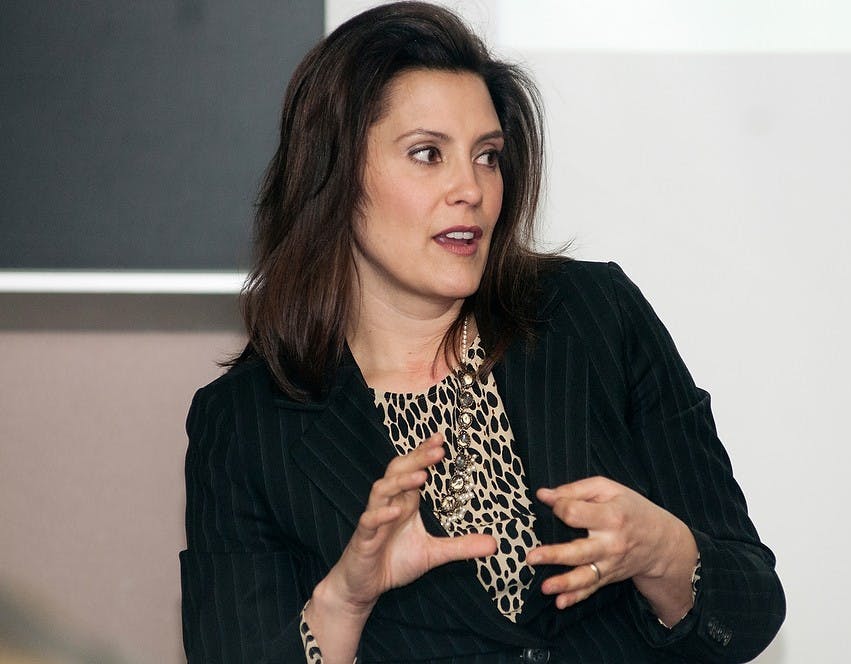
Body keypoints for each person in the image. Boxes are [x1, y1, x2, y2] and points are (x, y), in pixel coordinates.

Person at [179, 3, 785, 662]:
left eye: (487, 156)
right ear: (336, 175)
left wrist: (663, 553)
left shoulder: (595, 316)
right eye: (427, 154)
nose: (470, 188)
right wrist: (344, 601)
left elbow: (750, 607)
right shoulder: (244, 425)